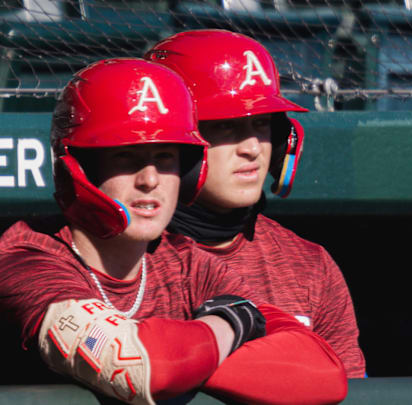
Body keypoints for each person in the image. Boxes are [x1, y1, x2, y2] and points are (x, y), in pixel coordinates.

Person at [0, 58, 347, 404]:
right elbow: (142, 367)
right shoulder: (25, 259)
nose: (150, 180)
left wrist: (185, 358)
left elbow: (324, 375)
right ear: (80, 168)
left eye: (165, 157)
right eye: (126, 157)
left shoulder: (185, 261)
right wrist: (230, 324)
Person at [144, 29, 366, 378]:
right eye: (226, 127)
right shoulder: (126, 261)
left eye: (262, 124)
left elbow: (350, 391)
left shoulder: (310, 267)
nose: (252, 148)